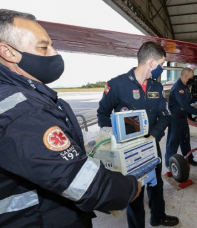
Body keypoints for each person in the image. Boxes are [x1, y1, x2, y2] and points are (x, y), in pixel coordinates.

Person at [0, 9, 141, 228]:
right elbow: (76, 179)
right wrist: (130, 187)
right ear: (8, 52)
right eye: (44, 47)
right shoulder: (22, 109)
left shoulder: (21, 96)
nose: (55, 53)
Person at [97, 42, 179, 227]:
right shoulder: (117, 85)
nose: (163, 68)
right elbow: (102, 113)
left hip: (151, 144)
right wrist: (115, 139)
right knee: (135, 191)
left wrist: (154, 136)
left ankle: (158, 216)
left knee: (156, 184)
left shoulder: (156, 88)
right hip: (129, 150)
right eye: (162, 63)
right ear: (151, 62)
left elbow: (165, 116)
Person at [165, 68, 197, 167]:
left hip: (183, 118)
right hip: (176, 119)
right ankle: (169, 163)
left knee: (185, 140)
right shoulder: (178, 88)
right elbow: (186, 106)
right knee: (173, 142)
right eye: (190, 78)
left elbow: (189, 99)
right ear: (184, 76)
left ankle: (188, 158)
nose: (191, 80)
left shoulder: (185, 86)